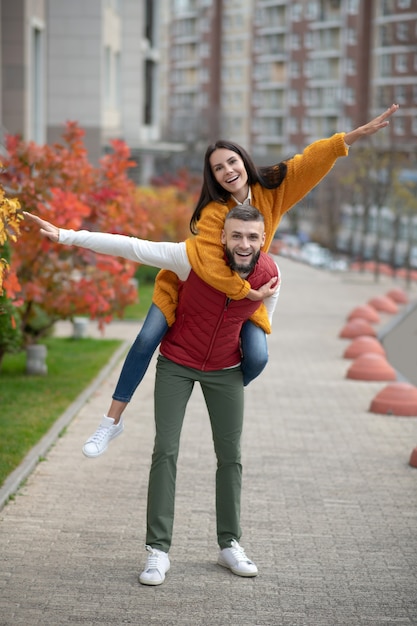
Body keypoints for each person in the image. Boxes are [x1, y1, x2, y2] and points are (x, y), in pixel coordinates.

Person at [60, 104, 402, 458]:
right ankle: (110, 423)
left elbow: (308, 161)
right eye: (218, 168)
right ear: (213, 177)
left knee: (257, 357)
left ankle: (218, 387)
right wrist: (248, 291)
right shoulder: (212, 215)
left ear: (244, 161)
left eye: (231, 161)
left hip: (238, 298)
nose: (227, 170)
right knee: (146, 339)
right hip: (192, 289)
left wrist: (348, 139)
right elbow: (209, 267)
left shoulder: (271, 188)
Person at [26, 204, 279, 584]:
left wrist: (245, 362)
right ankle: (157, 551)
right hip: (177, 363)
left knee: (231, 457)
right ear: (223, 237)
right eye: (237, 236)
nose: (244, 244)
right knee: (166, 451)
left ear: (263, 239)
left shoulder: (271, 274)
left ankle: (230, 544)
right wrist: (65, 235)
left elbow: (263, 319)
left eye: (252, 237)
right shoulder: (188, 259)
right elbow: (130, 247)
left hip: (226, 370)